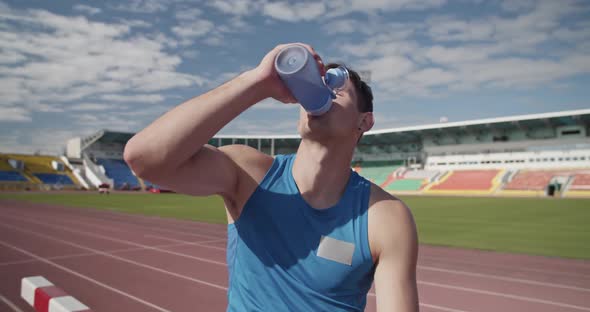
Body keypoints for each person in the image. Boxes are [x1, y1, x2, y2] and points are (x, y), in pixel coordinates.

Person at [124, 43, 419, 311]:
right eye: (317, 84)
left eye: (337, 87)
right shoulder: (248, 173)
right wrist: (257, 82)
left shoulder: (385, 217)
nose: (322, 92)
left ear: (364, 121)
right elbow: (144, 160)